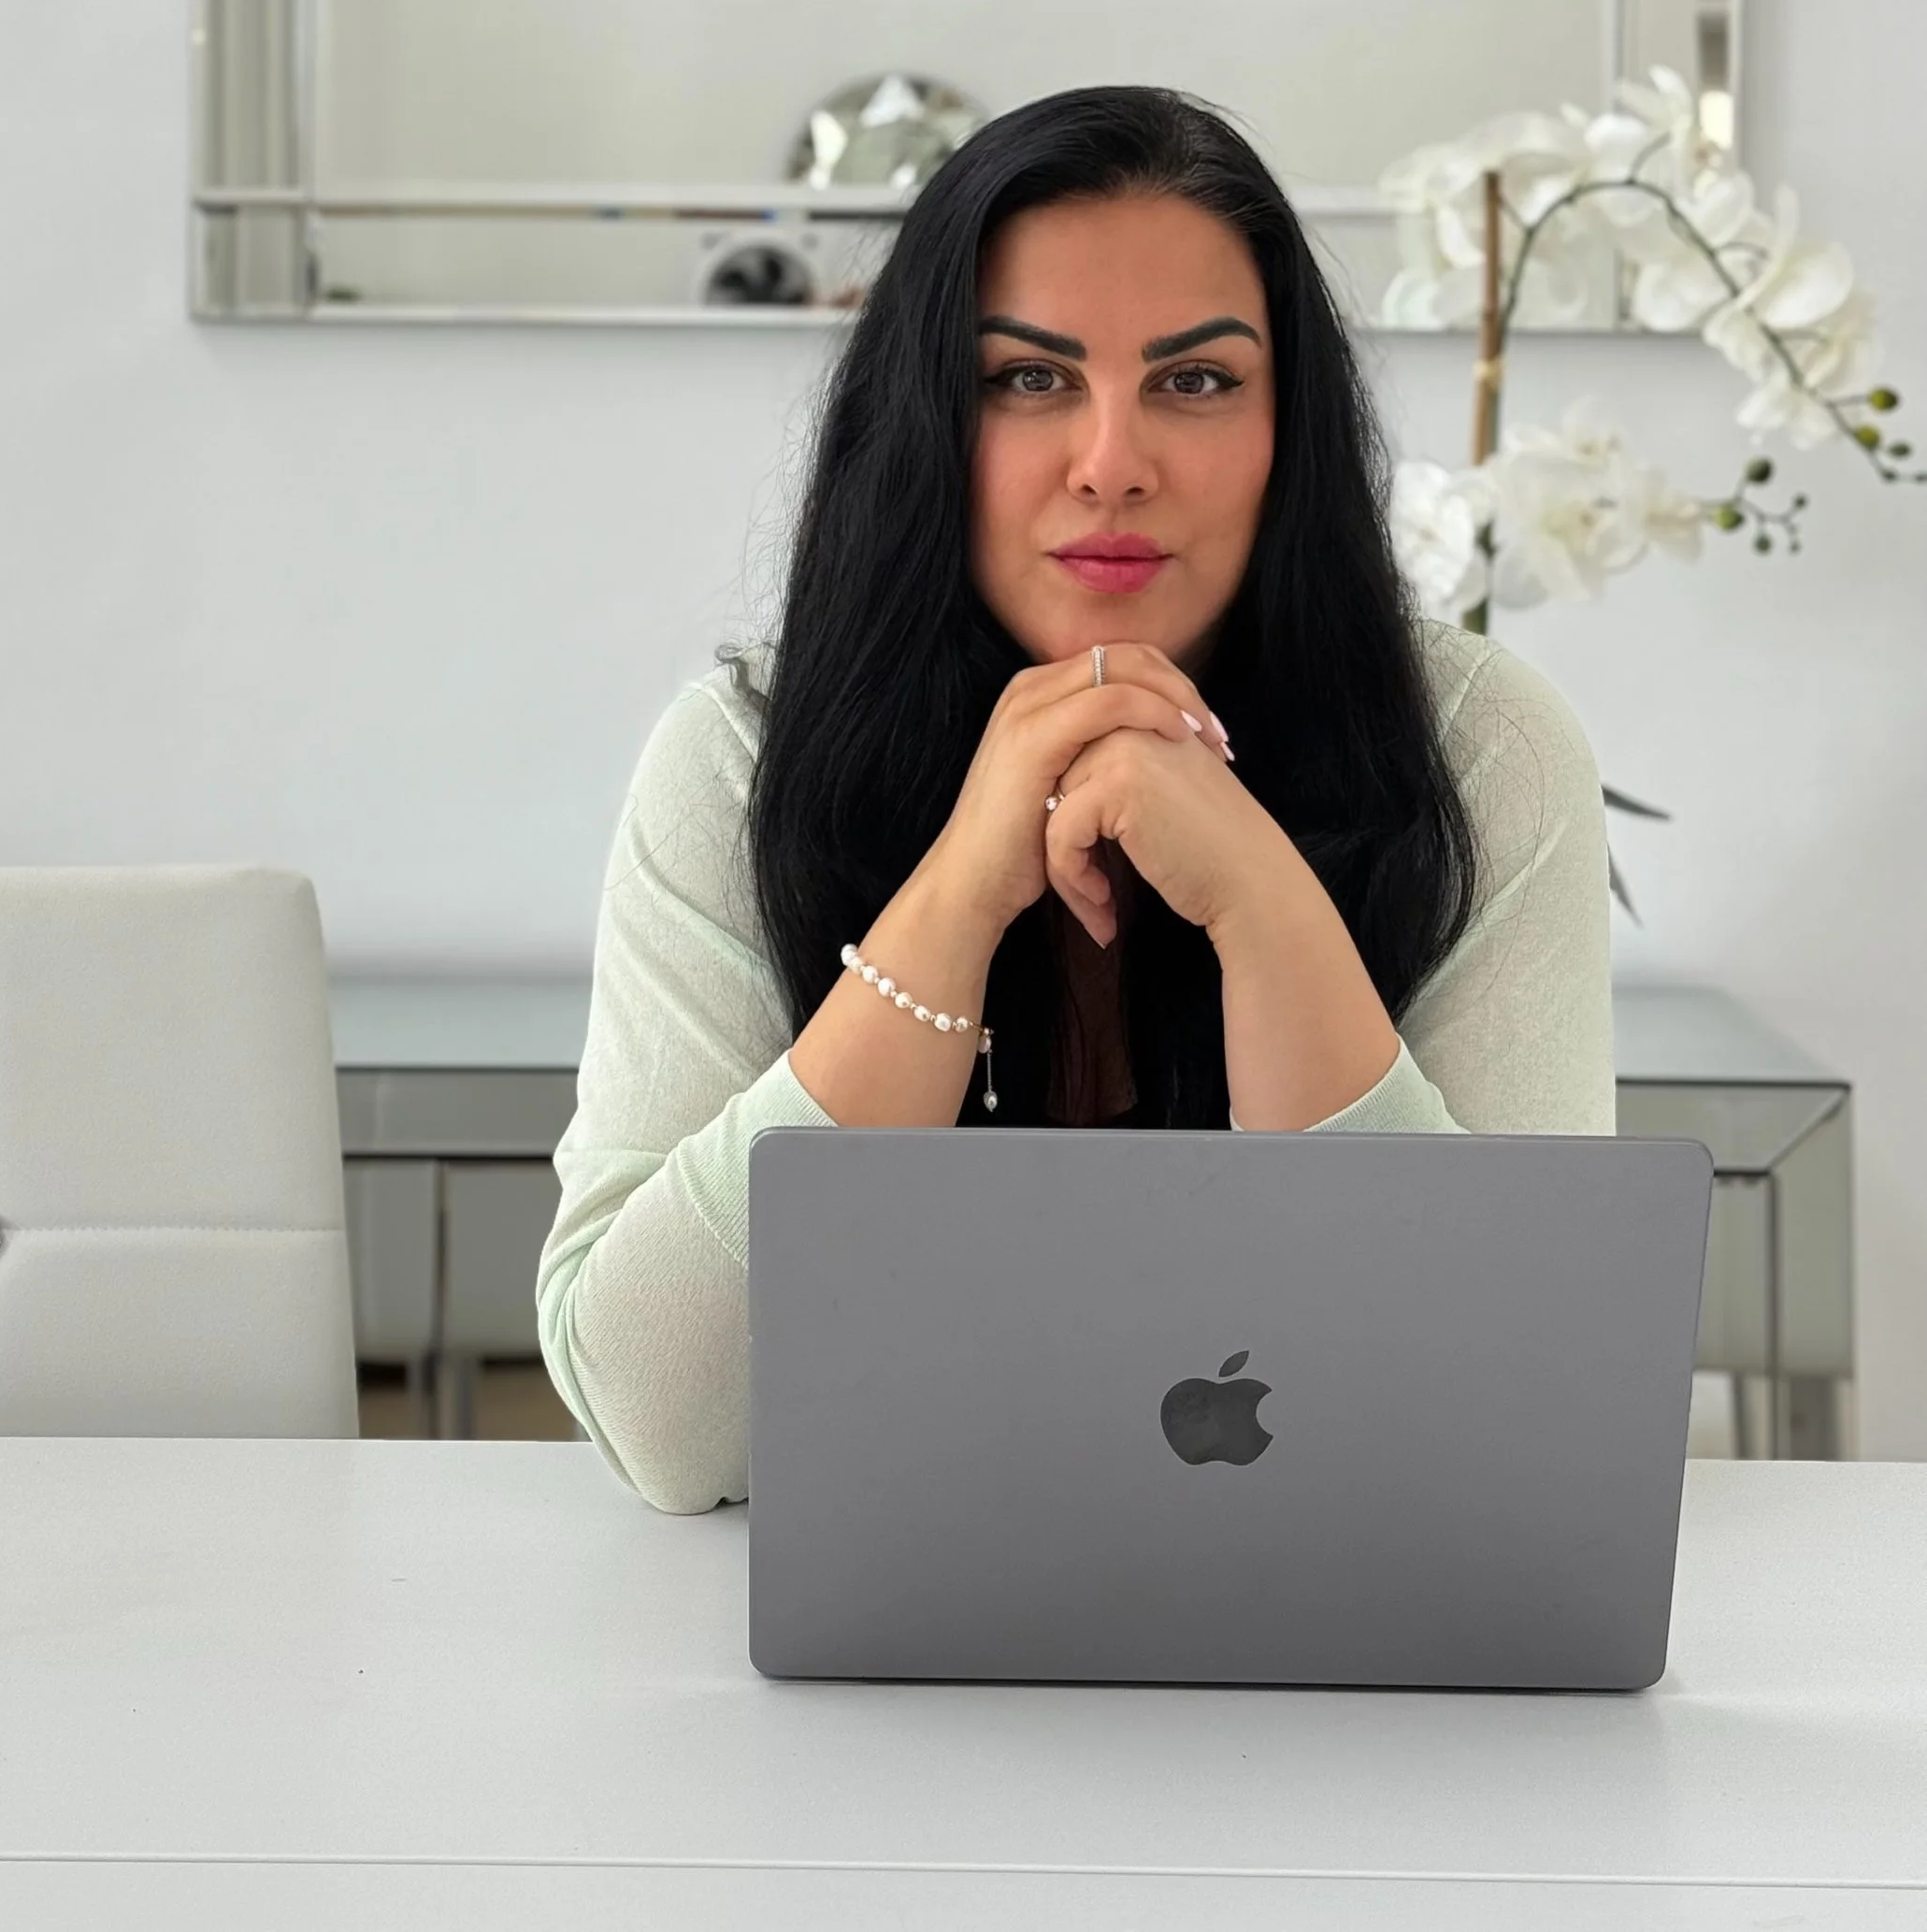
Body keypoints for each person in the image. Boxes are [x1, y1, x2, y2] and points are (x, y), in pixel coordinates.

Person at [538, 86, 1612, 1512]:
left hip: (1343, 1674)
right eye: (1027, 380)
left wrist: (1264, 905)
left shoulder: (1483, 753)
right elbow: (669, 1430)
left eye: (1198, 380)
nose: (1112, 462)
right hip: (867, 1675)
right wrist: (954, 901)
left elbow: (1503, 1423)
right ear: (924, 421)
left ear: (1291, 431)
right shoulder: (740, 756)